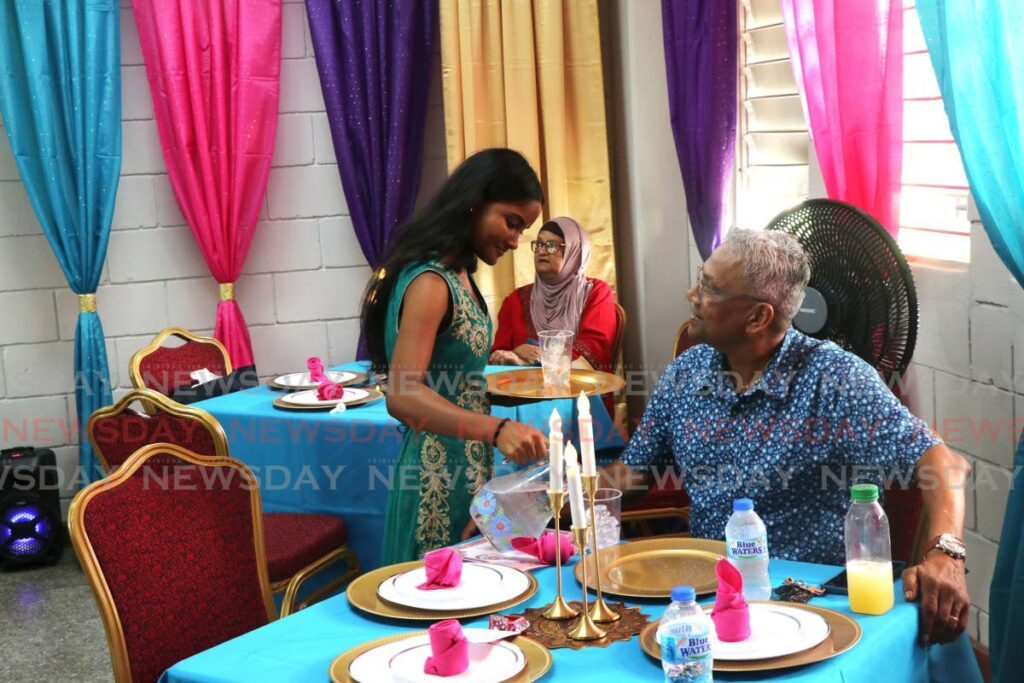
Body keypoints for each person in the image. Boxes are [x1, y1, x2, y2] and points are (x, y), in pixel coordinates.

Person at [601, 229, 971, 645]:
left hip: (816, 609)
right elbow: (631, 476)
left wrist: (947, 553)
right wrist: (552, 495)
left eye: (708, 288)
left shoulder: (834, 379)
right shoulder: (687, 373)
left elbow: (945, 464)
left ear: (758, 317)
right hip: (709, 600)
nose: (692, 294)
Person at [362, 148, 549, 565]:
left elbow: (456, 380)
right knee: (437, 607)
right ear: (475, 202)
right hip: (433, 478)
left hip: (464, 467)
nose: (516, 241)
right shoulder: (431, 281)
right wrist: (497, 429)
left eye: (523, 229)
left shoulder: (458, 274)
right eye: (511, 222)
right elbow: (403, 395)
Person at [489, 217, 617, 372]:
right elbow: (497, 357)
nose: (542, 251)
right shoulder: (515, 300)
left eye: (551, 246)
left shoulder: (596, 293)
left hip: (582, 389)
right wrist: (514, 354)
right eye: (539, 244)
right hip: (523, 390)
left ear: (574, 251)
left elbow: (592, 351)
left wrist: (538, 359)